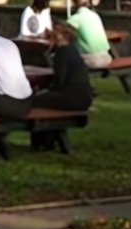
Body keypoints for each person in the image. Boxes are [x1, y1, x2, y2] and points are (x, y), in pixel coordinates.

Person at [29, 22, 95, 151]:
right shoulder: (73, 51)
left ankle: (41, 141)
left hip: (71, 97)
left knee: (34, 101)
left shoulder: (62, 53)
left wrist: (47, 91)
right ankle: (47, 140)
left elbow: (61, 80)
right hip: (83, 97)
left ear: (64, 36)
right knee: (44, 99)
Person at [66, 0, 113, 69]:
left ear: (74, 4)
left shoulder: (75, 19)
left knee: (64, 57)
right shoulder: (95, 15)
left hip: (91, 60)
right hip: (107, 58)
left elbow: (63, 33)